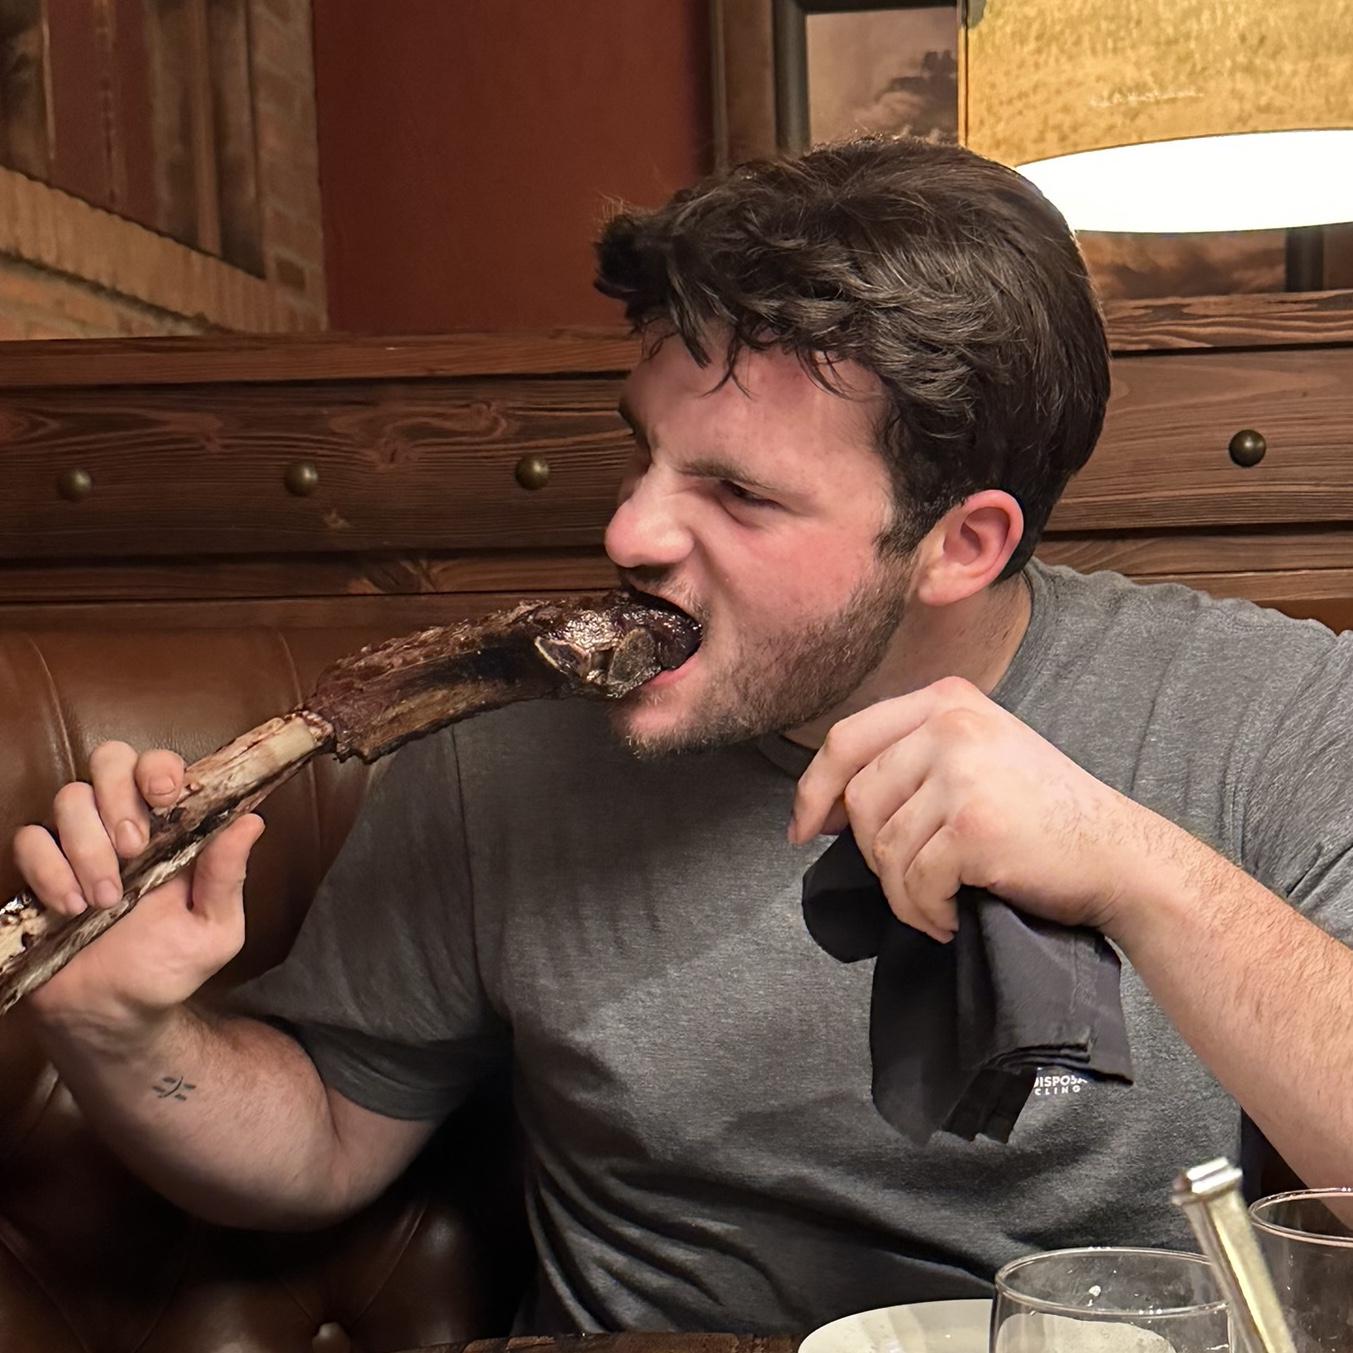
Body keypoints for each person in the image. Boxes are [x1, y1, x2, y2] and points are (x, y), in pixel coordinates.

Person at [14, 136, 1353, 1333]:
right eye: (643, 453)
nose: (629, 532)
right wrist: (124, 1034)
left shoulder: (1266, 711)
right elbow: (318, 1142)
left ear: (961, 545)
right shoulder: (496, 753)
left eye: (737, 494)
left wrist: (1136, 870)